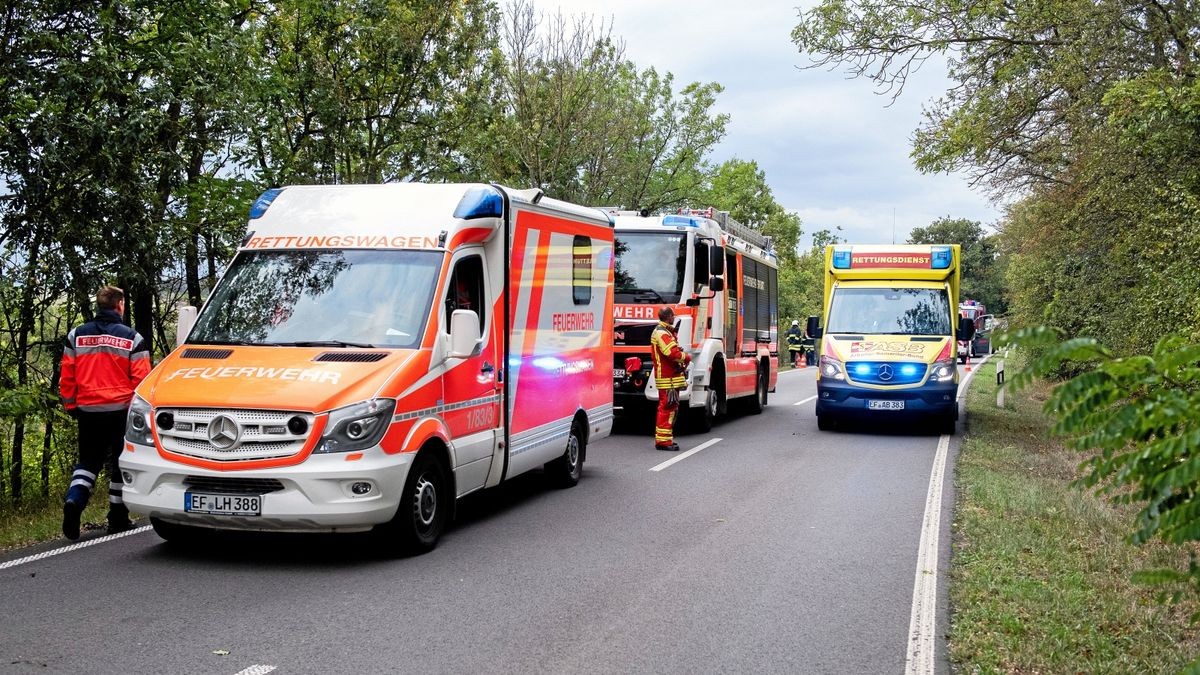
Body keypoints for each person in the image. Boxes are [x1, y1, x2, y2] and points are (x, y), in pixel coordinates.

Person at [60, 286, 151, 539]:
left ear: (100, 305)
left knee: (88, 463)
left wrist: (71, 405)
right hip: (120, 410)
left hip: (88, 409)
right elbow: (141, 382)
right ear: (120, 305)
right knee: (120, 465)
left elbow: (67, 376)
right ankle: (117, 516)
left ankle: (74, 502)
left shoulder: (76, 335)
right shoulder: (132, 339)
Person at [650, 306, 691, 451]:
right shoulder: (662, 333)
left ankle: (665, 439)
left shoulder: (665, 331)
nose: (674, 318)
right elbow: (671, 353)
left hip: (671, 378)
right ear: (668, 317)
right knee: (667, 408)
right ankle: (663, 442)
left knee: (670, 408)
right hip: (668, 378)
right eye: (672, 316)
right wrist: (686, 357)